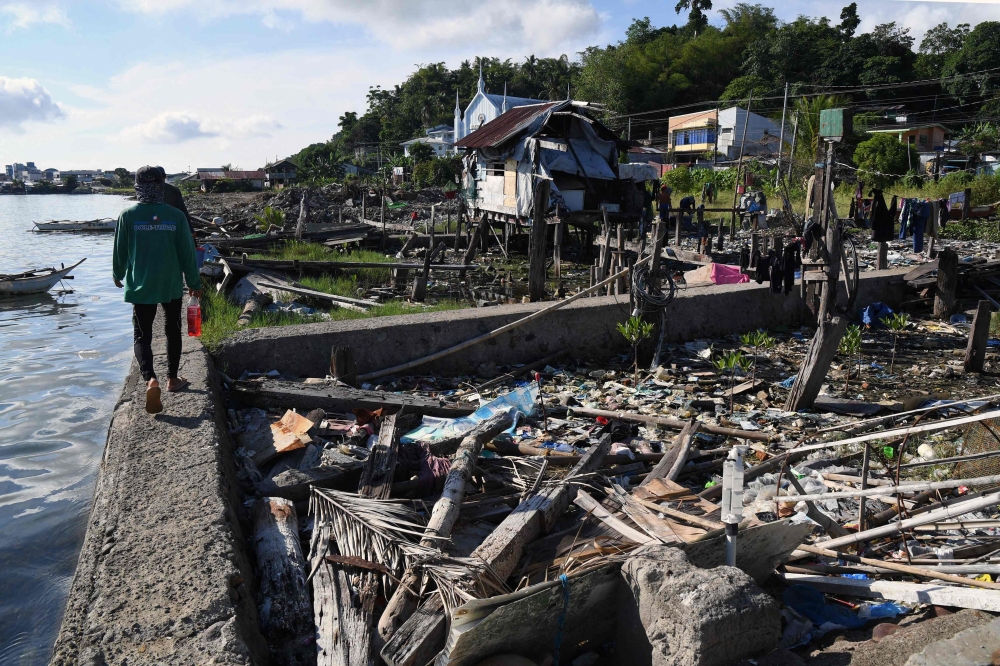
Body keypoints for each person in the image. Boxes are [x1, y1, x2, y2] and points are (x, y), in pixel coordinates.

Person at [113, 166, 203, 414]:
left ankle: (150, 379)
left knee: (142, 336)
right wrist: (194, 283)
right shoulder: (175, 216)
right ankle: (173, 379)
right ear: (162, 185)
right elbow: (187, 253)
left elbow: (120, 251)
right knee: (173, 330)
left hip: (140, 286)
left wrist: (117, 274)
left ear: (137, 185)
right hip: (170, 284)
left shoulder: (127, 215)